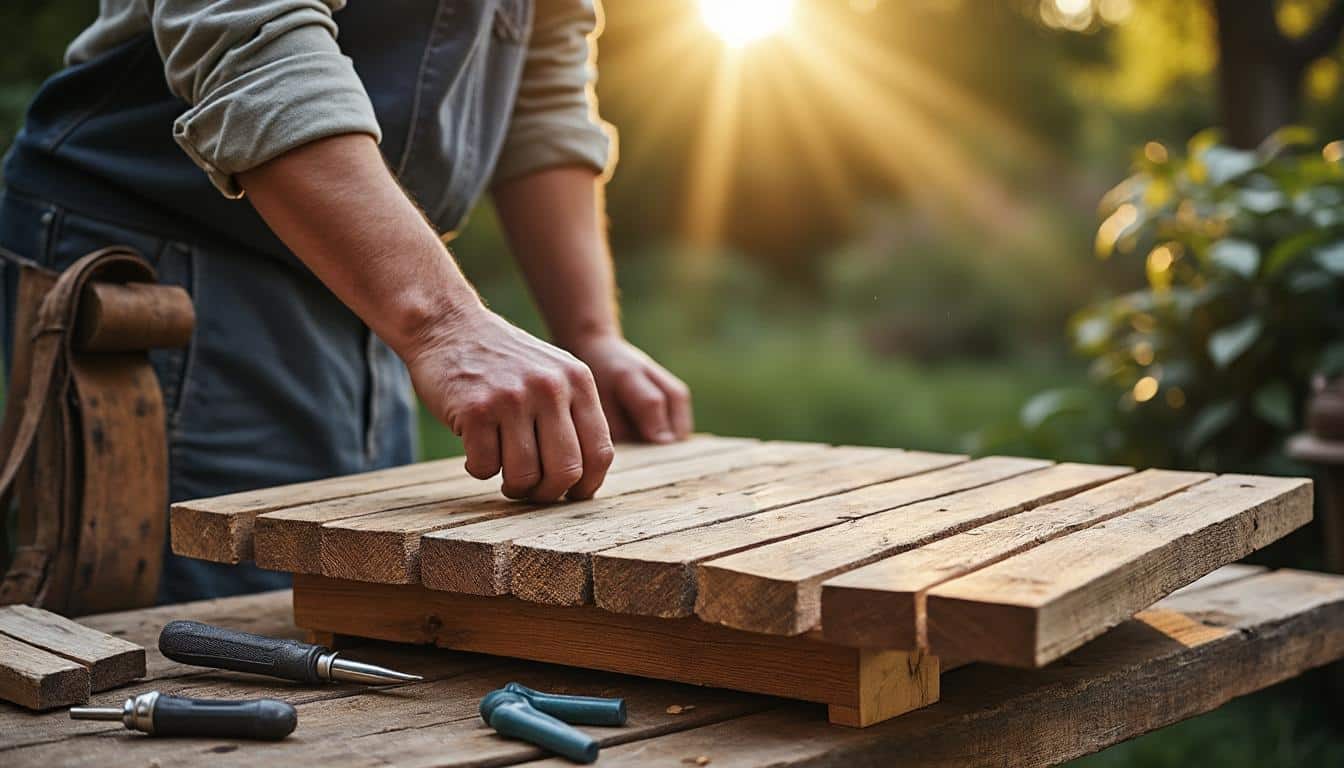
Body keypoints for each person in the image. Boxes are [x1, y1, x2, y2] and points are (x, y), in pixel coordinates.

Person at [0, 0, 692, 603]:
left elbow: (542, 87)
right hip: (167, 265)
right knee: (211, 661)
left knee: (353, 618)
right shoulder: (425, 315)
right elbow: (252, 39)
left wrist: (590, 332)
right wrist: (445, 323)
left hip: (370, 284)